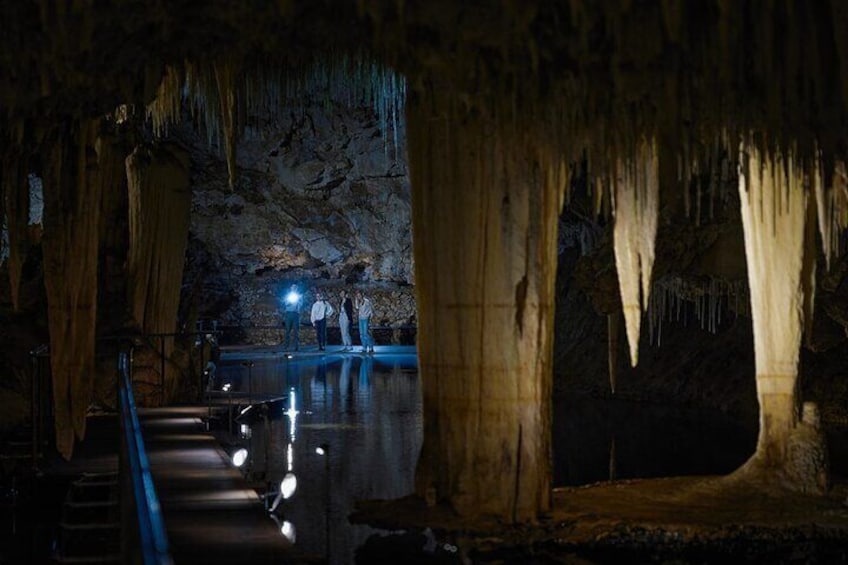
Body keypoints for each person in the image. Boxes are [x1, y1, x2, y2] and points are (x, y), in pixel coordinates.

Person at [282, 283, 303, 351]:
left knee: (296, 331)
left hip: (295, 314)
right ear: (291, 288)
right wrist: (290, 302)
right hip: (288, 314)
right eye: (292, 287)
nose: (294, 288)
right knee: (287, 330)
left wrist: (297, 306)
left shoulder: (299, 296)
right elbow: (285, 303)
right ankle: (286, 346)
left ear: (296, 288)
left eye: (295, 287)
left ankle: (296, 346)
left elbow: (301, 303)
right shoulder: (288, 295)